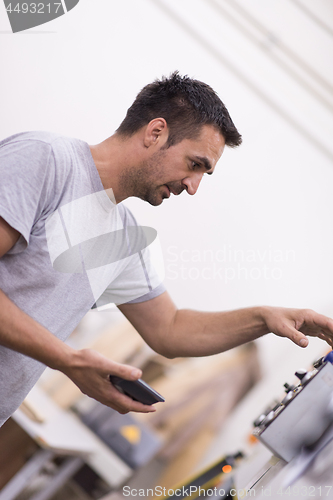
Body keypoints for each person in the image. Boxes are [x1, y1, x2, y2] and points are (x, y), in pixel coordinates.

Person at [0, 72, 332, 427]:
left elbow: (170, 330)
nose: (193, 187)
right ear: (155, 133)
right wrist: (68, 359)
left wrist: (264, 317)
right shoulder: (47, 160)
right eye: (195, 165)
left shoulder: (124, 237)